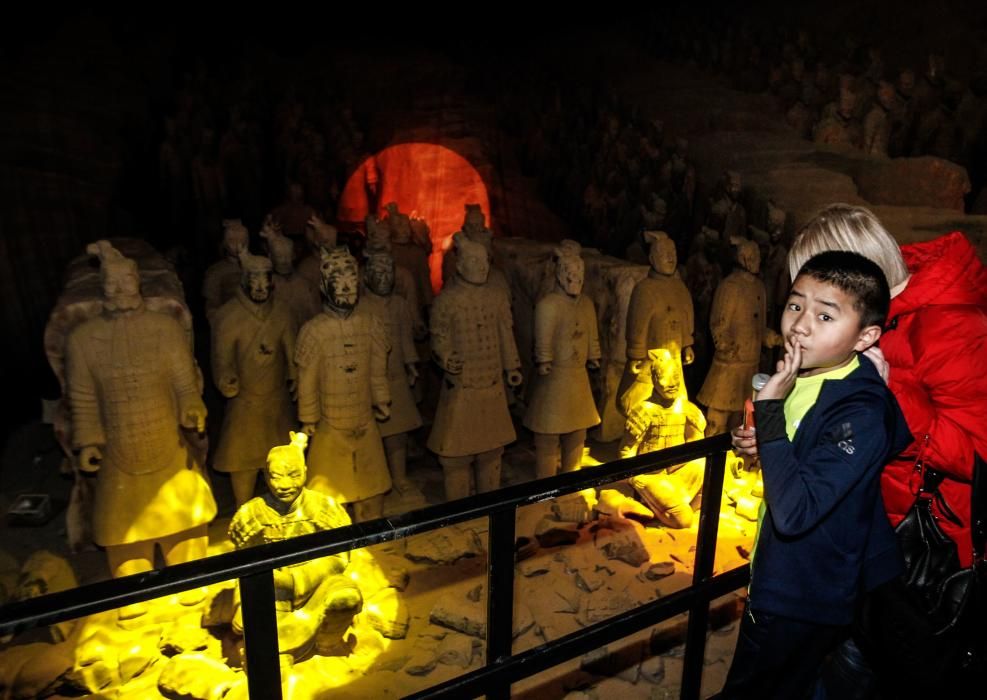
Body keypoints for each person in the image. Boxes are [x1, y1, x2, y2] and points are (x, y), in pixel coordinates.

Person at [733, 203, 987, 696]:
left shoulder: (951, 327)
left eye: (824, 303)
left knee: (863, 668)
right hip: (858, 530)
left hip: (916, 549)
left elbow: (976, 452)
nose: (806, 320)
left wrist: (896, 397)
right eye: (798, 299)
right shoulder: (869, 320)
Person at [722, 251, 911, 699]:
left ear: (866, 336)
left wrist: (769, 414)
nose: (801, 325)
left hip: (799, 593)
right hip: (790, 574)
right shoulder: (816, 372)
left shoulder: (861, 411)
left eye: (825, 315)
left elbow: (796, 512)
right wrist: (767, 444)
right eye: (795, 305)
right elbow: (807, 453)